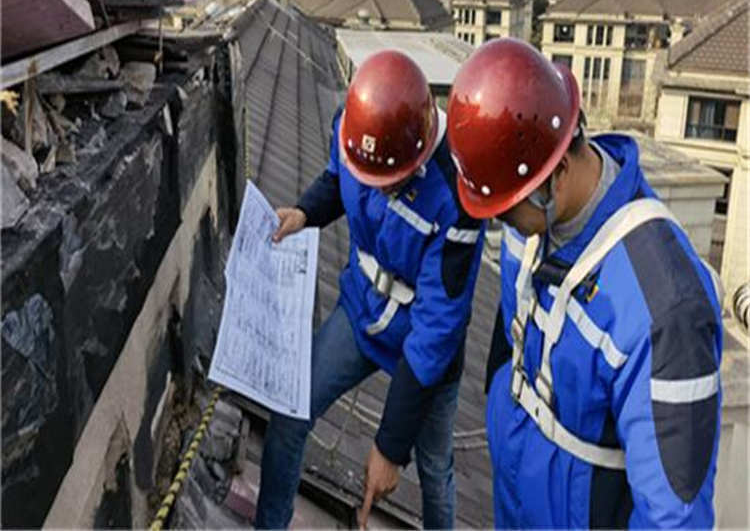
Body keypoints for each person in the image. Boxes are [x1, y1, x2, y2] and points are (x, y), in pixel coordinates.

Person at [446, 38, 723, 528]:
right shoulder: (533, 222)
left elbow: (673, 517)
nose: (503, 224)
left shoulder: (663, 308)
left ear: (556, 176)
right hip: (520, 500)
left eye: (508, 211)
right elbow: (510, 330)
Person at [255, 50, 486, 530]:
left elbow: (435, 332)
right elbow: (338, 181)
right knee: (290, 415)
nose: (378, 189)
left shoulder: (456, 196)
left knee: (435, 469)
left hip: (424, 346)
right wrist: (305, 212)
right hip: (363, 309)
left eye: (390, 182)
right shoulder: (353, 129)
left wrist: (389, 446)